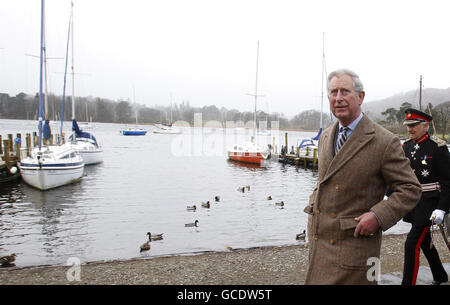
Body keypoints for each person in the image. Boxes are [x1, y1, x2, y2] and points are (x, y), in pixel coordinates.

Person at [304, 69, 422, 284]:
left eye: (345, 91)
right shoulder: (327, 135)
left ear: (360, 96)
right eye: (333, 92)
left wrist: (378, 217)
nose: (338, 98)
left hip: (355, 248)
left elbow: (411, 189)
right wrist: (313, 202)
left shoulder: (384, 141)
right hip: (319, 243)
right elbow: (325, 181)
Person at [401, 108, 450, 285]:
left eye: (413, 125)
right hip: (413, 203)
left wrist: (442, 208)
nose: (410, 129)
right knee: (424, 241)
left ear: (425, 126)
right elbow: (399, 175)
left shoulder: (438, 148)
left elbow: (447, 182)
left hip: (431, 204)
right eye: (408, 126)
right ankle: (440, 276)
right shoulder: (406, 146)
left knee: (411, 244)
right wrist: (389, 195)